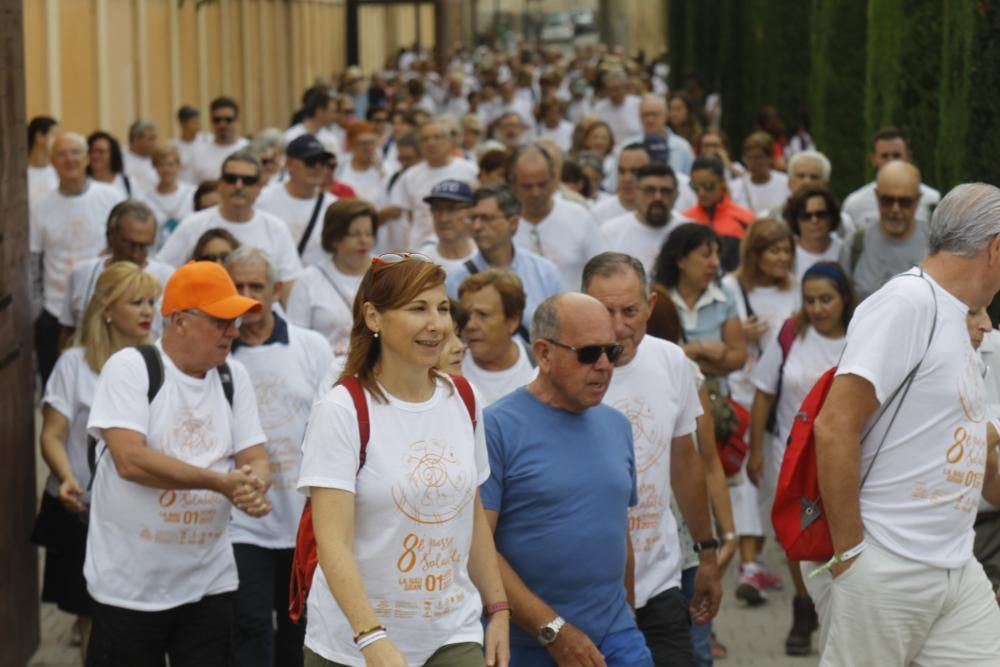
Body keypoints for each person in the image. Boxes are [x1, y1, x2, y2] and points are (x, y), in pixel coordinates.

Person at [809, 184, 1000, 665]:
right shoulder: (907, 301)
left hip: (958, 564)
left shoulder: (964, 321)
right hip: (885, 562)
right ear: (996, 247)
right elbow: (834, 425)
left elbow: (971, 451)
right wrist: (852, 555)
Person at [297, 253, 510, 667]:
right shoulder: (341, 410)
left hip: (451, 633)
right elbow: (333, 543)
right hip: (352, 644)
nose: (437, 324)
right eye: (418, 308)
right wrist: (372, 639)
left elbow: (469, 514)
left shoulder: (463, 397)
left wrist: (497, 608)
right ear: (374, 317)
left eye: (443, 308)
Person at [84, 260, 272, 666]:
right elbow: (130, 461)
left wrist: (253, 485)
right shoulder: (132, 368)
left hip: (209, 581)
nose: (234, 331)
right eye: (222, 321)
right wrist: (220, 483)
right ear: (180, 321)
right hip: (130, 588)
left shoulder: (232, 376)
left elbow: (254, 454)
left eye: (236, 320)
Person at [482, 292, 653, 666]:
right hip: (526, 645)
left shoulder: (617, 426)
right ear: (543, 353)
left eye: (613, 352)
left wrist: (628, 617)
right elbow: (476, 547)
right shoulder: (495, 428)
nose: (605, 365)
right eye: (590, 353)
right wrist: (552, 630)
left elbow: (617, 529)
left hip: (616, 638)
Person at [582, 253, 723, 667]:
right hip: (587, 594)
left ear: (650, 307)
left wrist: (708, 555)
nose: (619, 325)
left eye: (630, 311)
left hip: (660, 583)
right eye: (605, 312)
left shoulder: (671, 361)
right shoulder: (562, 373)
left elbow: (685, 462)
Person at [33, 261, 160, 664]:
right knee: (94, 622)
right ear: (107, 309)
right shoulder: (75, 364)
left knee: (147, 622)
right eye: (136, 302)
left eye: (151, 302)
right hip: (84, 510)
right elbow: (52, 434)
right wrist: (67, 476)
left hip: (146, 513)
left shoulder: (160, 361)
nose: (147, 311)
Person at [224, 247, 332, 667]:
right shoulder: (218, 352)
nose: (248, 295)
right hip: (241, 523)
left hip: (303, 518)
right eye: (238, 287)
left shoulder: (311, 346)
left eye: (257, 286)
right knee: (248, 624)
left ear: (277, 290)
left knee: (300, 629)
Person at [746, 262, 856, 655]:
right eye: (810, 300)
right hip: (791, 455)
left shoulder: (861, 337)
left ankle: (838, 607)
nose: (818, 308)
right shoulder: (791, 333)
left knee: (838, 530)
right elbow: (763, 391)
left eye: (826, 299)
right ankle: (803, 604)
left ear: (844, 299)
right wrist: (756, 448)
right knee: (796, 532)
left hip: (842, 454)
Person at [720, 218, 799, 605]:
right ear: (754, 254)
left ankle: (759, 556)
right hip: (743, 392)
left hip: (781, 397)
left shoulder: (797, 291)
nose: (782, 258)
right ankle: (747, 562)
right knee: (746, 477)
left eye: (787, 251)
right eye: (774, 250)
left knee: (768, 476)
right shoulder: (733, 287)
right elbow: (722, 332)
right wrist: (741, 335)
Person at [31, 132, 124, 385]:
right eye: (61, 153)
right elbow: (34, 263)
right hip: (55, 311)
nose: (69, 159)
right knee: (55, 386)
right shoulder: (40, 206)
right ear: (52, 160)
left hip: (105, 307)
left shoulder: (111, 196)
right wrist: (37, 310)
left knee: (105, 383)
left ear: (86, 158)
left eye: (75, 152)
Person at [159, 149, 303, 299]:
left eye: (247, 181)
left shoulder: (276, 228)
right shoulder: (193, 224)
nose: (239, 186)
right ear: (220, 183)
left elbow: (289, 286)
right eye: (231, 178)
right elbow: (162, 271)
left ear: (260, 187)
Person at [446, 183, 561, 333]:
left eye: (487, 218)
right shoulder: (455, 279)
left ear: (513, 223)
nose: (477, 226)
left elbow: (559, 329)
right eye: (472, 218)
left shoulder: (545, 272)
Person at [59, 200, 174, 340]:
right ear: (110, 236)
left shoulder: (167, 278)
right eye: (127, 244)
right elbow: (68, 333)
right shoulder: (83, 273)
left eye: (144, 247)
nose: (135, 254)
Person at [654, 223, 747, 382]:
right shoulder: (658, 299)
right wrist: (698, 349)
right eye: (706, 255)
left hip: (714, 397)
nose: (715, 263)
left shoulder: (724, 296)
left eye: (717, 255)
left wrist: (687, 359)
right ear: (680, 260)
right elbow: (654, 359)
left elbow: (738, 357)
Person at [286, 198, 376, 356]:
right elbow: (296, 338)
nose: (363, 241)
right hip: (327, 370)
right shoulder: (308, 280)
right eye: (354, 234)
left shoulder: (387, 273)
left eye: (368, 233)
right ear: (335, 238)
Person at [509, 145, 605, 291]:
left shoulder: (579, 217)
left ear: (554, 179)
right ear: (513, 184)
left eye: (542, 184)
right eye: (527, 186)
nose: (535, 193)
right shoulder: (503, 223)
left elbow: (603, 269)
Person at [840, 160, 929, 300]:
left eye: (904, 202)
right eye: (887, 200)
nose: (895, 209)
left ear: (917, 200)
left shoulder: (935, 244)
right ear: (876, 196)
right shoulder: (854, 245)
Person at [389, 117, 479, 248]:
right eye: (425, 139)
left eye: (437, 137)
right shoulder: (409, 176)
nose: (431, 143)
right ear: (419, 146)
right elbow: (408, 216)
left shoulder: (470, 169)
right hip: (421, 249)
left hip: (462, 247)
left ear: (449, 142)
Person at [256, 134, 339, 267]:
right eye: (310, 161)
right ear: (289, 163)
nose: (318, 167)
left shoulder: (334, 207)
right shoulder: (263, 200)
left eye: (322, 161)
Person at [458, 270, 535, 406]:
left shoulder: (540, 368)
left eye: (483, 315)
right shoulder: (449, 370)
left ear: (512, 321)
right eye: (465, 315)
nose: (470, 325)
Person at [841, 127, 941, 231]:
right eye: (884, 156)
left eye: (896, 155)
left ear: (908, 157)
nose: (891, 161)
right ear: (873, 159)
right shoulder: (854, 204)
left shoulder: (933, 199)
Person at [602, 162, 683, 276]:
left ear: (676, 195)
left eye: (665, 191)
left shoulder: (689, 232)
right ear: (635, 193)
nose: (657, 197)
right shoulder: (611, 232)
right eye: (649, 190)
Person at [682, 157, 755, 273]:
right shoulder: (684, 219)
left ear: (722, 182)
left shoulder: (745, 218)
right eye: (695, 187)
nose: (701, 193)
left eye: (708, 186)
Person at [620, 95, 695, 177]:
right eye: (645, 115)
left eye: (654, 114)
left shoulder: (682, 147)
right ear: (639, 117)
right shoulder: (625, 147)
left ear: (666, 116)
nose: (650, 119)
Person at [142, 143, 196, 249]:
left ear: (178, 166)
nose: (166, 169)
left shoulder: (192, 193)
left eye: (170, 164)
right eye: (161, 165)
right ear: (155, 166)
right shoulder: (146, 200)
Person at [189, 96, 251, 184]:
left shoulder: (249, 150)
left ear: (237, 120)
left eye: (228, 120)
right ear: (211, 121)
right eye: (217, 120)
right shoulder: (198, 152)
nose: (222, 124)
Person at [785, 187, 843, 281]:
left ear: (831, 216)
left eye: (821, 214)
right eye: (806, 216)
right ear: (795, 220)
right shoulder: (787, 255)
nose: (814, 220)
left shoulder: (845, 250)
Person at [728, 132, 790, 217]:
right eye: (749, 158)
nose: (753, 163)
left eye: (758, 157)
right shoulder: (734, 187)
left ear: (770, 158)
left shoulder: (786, 183)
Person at [591, 143, 651, 225]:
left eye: (635, 172)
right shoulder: (597, 214)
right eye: (622, 171)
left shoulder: (666, 213)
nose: (627, 179)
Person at [336, 120, 387, 208]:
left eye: (371, 143)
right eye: (363, 143)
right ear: (352, 145)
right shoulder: (340, 166)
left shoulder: (385, 168)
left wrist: (380, 170)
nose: (368, 148)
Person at [592, 69, 642, 150]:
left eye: (616, 89)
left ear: (625, 87)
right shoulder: (599, 108)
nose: (613, 93)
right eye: (610, 89)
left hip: (635, 151)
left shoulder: (638, 105)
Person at [283, 89, 342, 156]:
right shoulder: (291, 136)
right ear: (319, 111)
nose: (335, 116)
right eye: (332, 112)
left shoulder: (331, 140)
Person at [86, 131, 133, 197]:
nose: (95, 156)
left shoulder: (127, 183)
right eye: (91, 151)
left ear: (113, 155)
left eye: (100, 152)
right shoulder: (81, 184)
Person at [27, 115, 60, 206]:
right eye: (54, 135)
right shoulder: (18, 174)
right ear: (40, 137)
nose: (58, 141)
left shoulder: (59, 171)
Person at [173, 105, 209, 185]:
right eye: (194, 123)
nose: (198, 126)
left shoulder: (208, 141)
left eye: (198, 122)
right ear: (183, 124)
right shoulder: (173, 146)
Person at [122, 120, 160, 196]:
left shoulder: (158, 160)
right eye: (151, 139)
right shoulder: (119, 158)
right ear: (136, 139)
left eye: (155, 138)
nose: (155, 143)